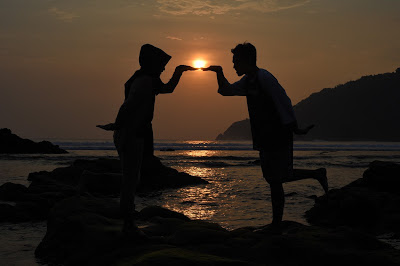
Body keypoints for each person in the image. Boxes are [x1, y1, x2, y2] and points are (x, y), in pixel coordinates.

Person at [203, 42, 328, 230]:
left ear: (247, 61)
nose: (234, 65)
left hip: (278, 133)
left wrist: (295, 129)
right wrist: (218, 72)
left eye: (236, 62)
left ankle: (276, 224)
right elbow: (226, 91)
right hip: (263, 136)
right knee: (273, 178)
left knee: (276, 179)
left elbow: (283, 101)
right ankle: (316, 174)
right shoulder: (248, 80)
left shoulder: (264, 77)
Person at [97, 44, 195, 235]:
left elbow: (168, 89)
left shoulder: (149, 79)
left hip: (135, 132)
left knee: (132, 177)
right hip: (130, 133)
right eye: (162, 64)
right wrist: (116, 125)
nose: (164, 68)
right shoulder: (144, 81)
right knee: (131, 179)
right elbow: (128, 106)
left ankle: (126, 215)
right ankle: (127, 221)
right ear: (152, 63)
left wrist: (179, 72)